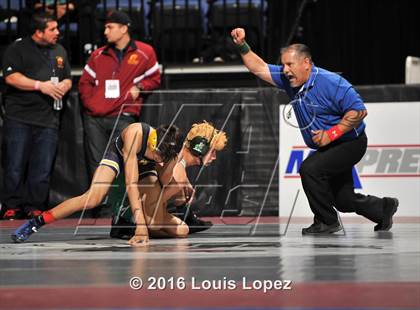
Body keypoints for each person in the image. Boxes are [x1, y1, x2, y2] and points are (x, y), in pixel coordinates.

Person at [231, 28, 399, 235]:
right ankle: (383, 209)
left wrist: (331, 134)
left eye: (289, 64)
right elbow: (259, 68)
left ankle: (326, 221)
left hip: (350, 143)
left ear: (306, 64)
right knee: (343, 200)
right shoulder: (289, 80)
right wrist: (242, 45)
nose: (284, 70)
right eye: (283, 64)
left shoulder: (332, 83)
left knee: (310, 168)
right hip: (332, 146)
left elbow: (359, 111)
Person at [11, 123, 183, 246]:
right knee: (92, 198)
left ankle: (125, 219)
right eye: (159, 158)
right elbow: (131, 183)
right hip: (119, 155)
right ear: (153, 145)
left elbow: (165, 181)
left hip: (145, 164)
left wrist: (170, 168)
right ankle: (37, 222)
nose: (161, 163)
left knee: (165, 225)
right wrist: (141, 227)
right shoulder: (136, 134)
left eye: (164, 159)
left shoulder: (168, 153)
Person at [1, 12, 72, 220]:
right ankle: (11, 205)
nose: (57, 32)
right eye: (52, 29)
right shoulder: (18, 48)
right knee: (14, 164)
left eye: (57, 28)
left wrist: (63, 87)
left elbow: (68, 77)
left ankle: (35, 205)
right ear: (38, 32)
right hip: (19, 117)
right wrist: (40, 86)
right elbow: (11, 77)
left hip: (49, 118)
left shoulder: (59, 50)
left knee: (42, 167)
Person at [109, 121, 228, 239]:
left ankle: (185, 216)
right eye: (213, 151)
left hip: (134, 189)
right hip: (127, 196)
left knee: (182, 229)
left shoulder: (175, 155)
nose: (214, 157)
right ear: (200, 148)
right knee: (156, 222)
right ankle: (126, 221)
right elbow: (155, 205)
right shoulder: (177, 169)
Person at [79, 10, 161, 181]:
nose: (105, 31)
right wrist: (90, 104)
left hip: (123, 116)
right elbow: (84, 83)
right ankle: (101, 205)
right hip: (95, 118)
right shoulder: (98, 54)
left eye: (110, 27)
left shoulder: (145, 52)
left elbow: (155, 78)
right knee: (97, 163)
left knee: (121, 162)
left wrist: (140, 86)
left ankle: (119, 204)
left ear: (124, 29)